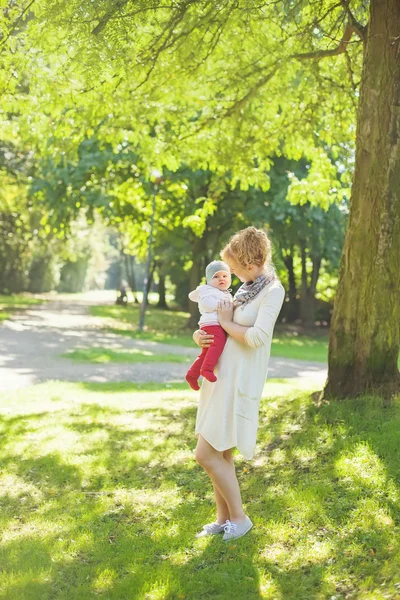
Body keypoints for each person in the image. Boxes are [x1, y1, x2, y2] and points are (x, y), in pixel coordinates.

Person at [192, 227, 285, 541]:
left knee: (204, 454)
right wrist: (200, 336)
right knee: (221, 454)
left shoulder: (272, 291)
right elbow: (215, 323)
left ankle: (240, 518)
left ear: (251, 262)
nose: (230, 273)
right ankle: (223, 519)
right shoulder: (243, 289)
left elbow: (257, 337)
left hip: (238, 380)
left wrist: (228, 323)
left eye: (234, 266)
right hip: (218, 377)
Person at [185, 260, 233, 391]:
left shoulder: (225, 293)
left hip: (214, 324)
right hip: (212, 324)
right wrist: (220, 306)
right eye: (216, 277)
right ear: (208, 280)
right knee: (218, 343)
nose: (221, 279)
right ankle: (207, 369)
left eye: (225, 276)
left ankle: (192, 374)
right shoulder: (208, 290)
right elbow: (205, 303)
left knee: (206, 352)